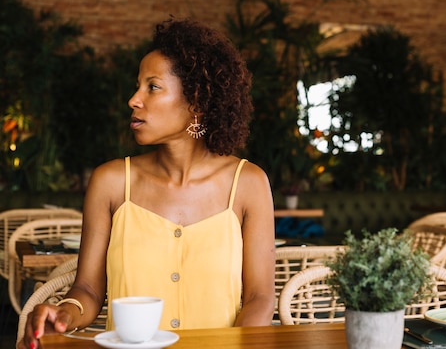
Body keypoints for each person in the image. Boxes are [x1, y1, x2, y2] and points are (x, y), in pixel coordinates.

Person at [19, 18, 276, 349]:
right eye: (137, 86)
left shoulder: (249, 184)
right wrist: (65, 314)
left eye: (152, 87)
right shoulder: (111, 182)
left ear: (196, 101)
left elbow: (259, 297)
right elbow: (89, 290)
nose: (134, 100)